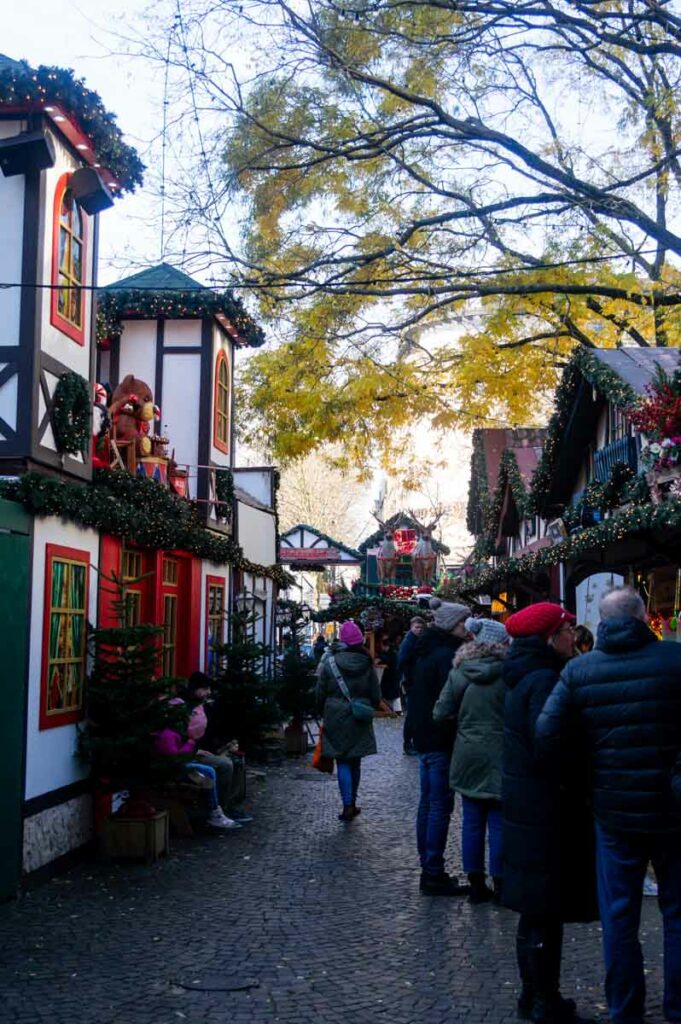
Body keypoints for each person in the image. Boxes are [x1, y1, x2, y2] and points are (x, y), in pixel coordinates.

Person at [537, 586, 681, 1024]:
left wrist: (584, 776)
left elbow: (547, 733)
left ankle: (625, 1010)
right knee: (677, 912)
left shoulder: (581, 671)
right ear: (642, 618)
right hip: (673, 809)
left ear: (601, 622)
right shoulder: (675, 662)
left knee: (619, 916)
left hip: (613, 810)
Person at [502, 602, 597, 1024]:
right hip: (544, 808)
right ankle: (544, 1002)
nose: (571, 639)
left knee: (536, 908)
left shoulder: (525, 674)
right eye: (566, 631)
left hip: (529, 806)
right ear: (549, 637)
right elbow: (550, 744)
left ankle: (534, 997)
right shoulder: (542, 680)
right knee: (543, 908)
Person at [433, 616, 509, 904]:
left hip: (467, 752)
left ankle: (476, 884)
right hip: (501, 751)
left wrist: (463, 722)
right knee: (499, 821)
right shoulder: (508, 672)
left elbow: (440, 713)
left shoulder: (460, 672)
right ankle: (501, 882)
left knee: (473, 820)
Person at [406, 597, 471, 896]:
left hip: (424, 736)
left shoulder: (424, 651)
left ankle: (428, 867)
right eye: (462, 623)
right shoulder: (446, 656)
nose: (466, 628)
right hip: (440, 738)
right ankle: (433, 872)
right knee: (439, 806)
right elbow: (450, 701)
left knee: (428, 803)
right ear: (451, 625)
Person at [316, 620, 381, 822]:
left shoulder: (330, 662)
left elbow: (320, 691)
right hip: (359, 715)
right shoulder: (367, 662)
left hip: (335, 715)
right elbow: (376, 694)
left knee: (342, 760)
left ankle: (347, 805)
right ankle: (353, 801)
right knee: (355, 760)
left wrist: (320, 710)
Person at [153, 702, 240, 831]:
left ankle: (214, 808)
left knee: (208, 771)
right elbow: (175, 758)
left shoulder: (175, 731)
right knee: (207, 772)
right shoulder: (168, 734)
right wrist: (190, 743)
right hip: (173, 769)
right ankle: (214, 810)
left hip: (178, 764)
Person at [185, 672, 252, 824]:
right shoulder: (186, 708)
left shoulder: (206, 707)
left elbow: (213, 731)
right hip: (191, 752)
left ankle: (231, 804)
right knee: (225, 765)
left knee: (237, 760)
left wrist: (225, 744)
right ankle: (219, 807)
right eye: (205, 688)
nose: (208, 692)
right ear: (195, 689)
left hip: (207, 748)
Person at [397, 615, 426, 753]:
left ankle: (412, 742)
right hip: (411, 682)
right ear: (411, 627)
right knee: (412, 714)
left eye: (421, 627)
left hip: (414, 681)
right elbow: (402, 661)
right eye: (416, 627)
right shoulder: (409, 642)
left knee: (414, 713)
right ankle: (408, 743)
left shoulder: (416, 640)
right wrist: (407, 678)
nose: (419, 629)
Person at [376, 635, 400, 710]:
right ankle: (396, 710)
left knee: (391, 693)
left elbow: (379, 661)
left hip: (391, 677)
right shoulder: (393, 652)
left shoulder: (389, 654)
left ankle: (394, 710)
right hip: (394, 676)